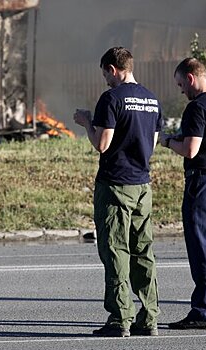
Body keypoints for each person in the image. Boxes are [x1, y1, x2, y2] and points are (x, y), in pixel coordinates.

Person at [74, 47, 162, 337]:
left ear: (113, 69)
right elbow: (153, 140)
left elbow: (102, 144)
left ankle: (120, 318)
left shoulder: (111, 99)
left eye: (104, 74)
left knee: (115, 250)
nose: (104, 80)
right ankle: (149, 317)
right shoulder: (151, 99)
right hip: (142, 184)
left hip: (115, 184)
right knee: (142, 251)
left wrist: (87, 122)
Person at [160, 58, 206, 330]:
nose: (182, 91)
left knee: (201, 245)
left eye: (181, 84)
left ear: (191, 78)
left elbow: (191, 149)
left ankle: (202, 311)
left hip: (201, 181)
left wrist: (167, 141)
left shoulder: (197, 107)